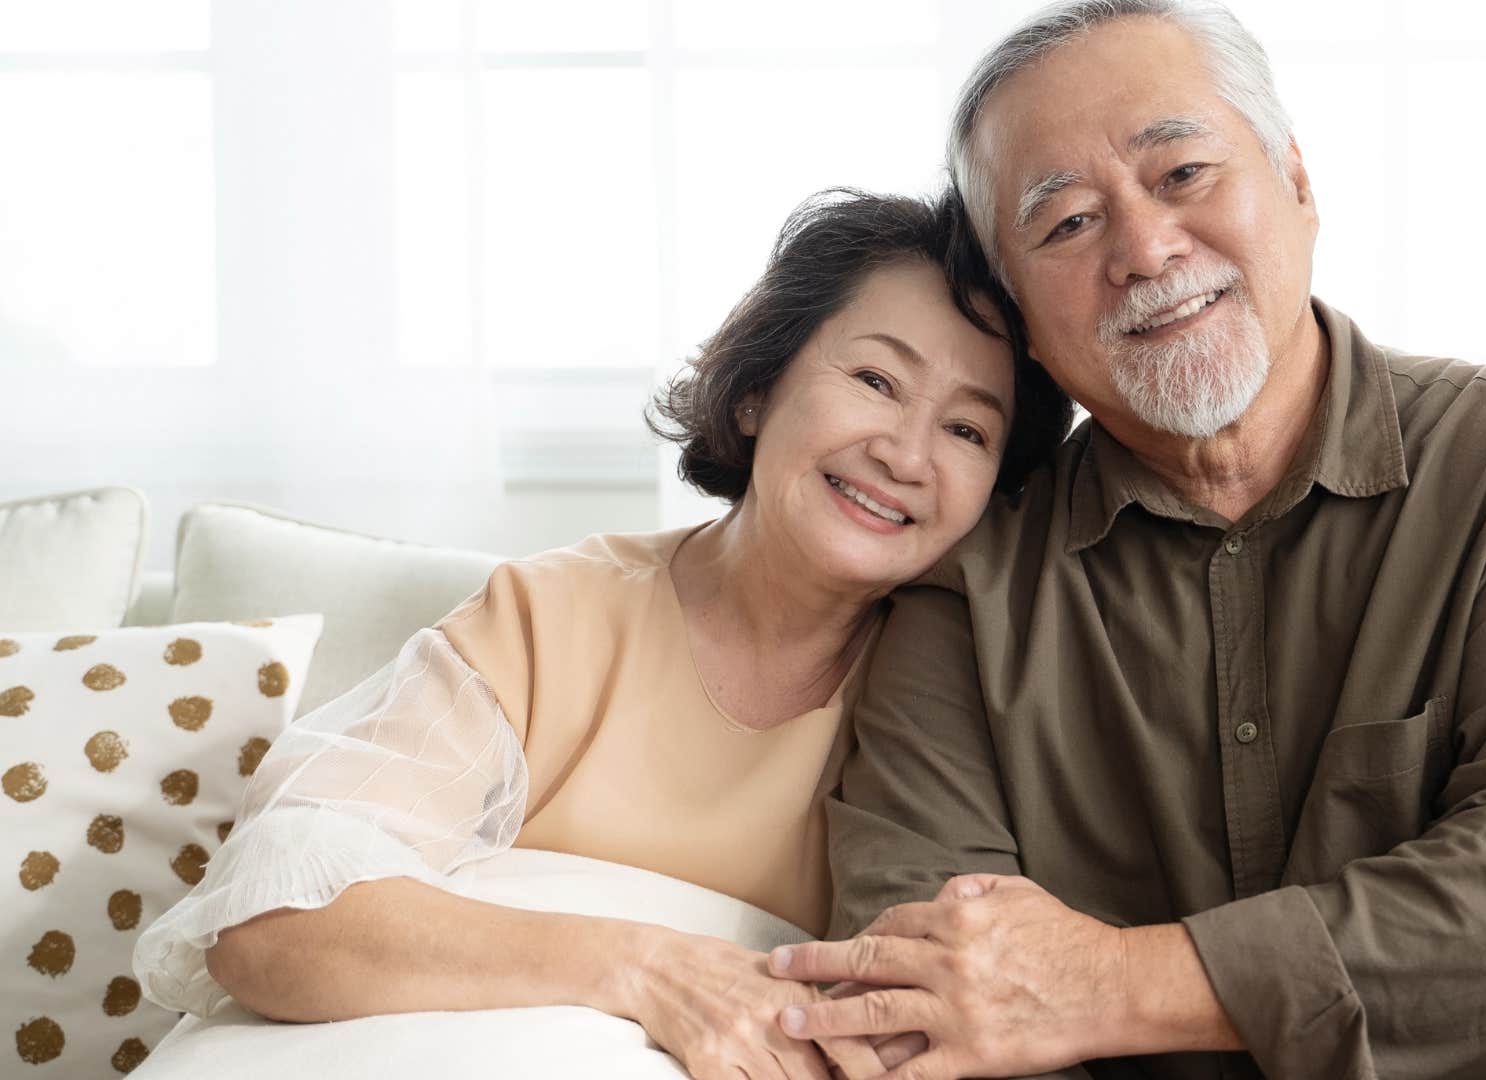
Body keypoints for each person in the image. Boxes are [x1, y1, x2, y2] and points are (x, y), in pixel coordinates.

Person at [767, 3, 1486, 1078]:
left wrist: (1108, 985)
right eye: (1066, 223)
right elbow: (920, 981)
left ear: (1298, 184)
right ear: (1019, 314)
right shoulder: (967, 584)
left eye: (1182, 174)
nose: (1146, 248)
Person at [131, 188, 1073, 1080]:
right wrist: (645, 969)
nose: (905, 455)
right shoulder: (549, 619)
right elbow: (273, 918)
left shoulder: (974, 691)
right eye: (875, 379)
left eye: (968, 432)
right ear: (756, 391)